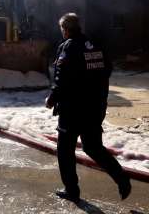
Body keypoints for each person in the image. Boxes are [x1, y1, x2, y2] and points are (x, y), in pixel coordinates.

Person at [45, 13, 131, 203]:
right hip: (96, 106)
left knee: (65, 149)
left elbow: (61, 77)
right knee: (93, 147)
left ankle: (71, 190)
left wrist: (52, 97)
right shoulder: (96, 45)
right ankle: (121, 177)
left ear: (65, 29)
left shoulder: (68, 47)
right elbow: (107, 69)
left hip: (73, 109)